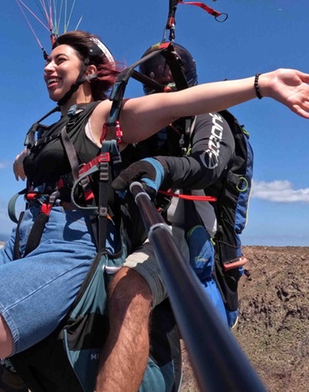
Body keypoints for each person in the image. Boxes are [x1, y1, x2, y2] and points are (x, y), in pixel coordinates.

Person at [0, 30, 309, 391]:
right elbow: (59, 158)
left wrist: (262, 84)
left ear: (87, 70)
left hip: (110, 242)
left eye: (60, 59)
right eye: (47, 59)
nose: (49, 66)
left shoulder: (114, 114)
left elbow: (186, 113)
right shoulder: (54, 127)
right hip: (25, 239)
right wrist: (26, 159)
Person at [96, 43, 236, 392]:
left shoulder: (209, 117)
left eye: (166, 71)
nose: (159, 79)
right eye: (153, 73)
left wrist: (161, 166)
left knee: (129, 287)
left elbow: (208, 164)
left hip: (184, 232)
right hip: (137, 227)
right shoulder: (150, 128)